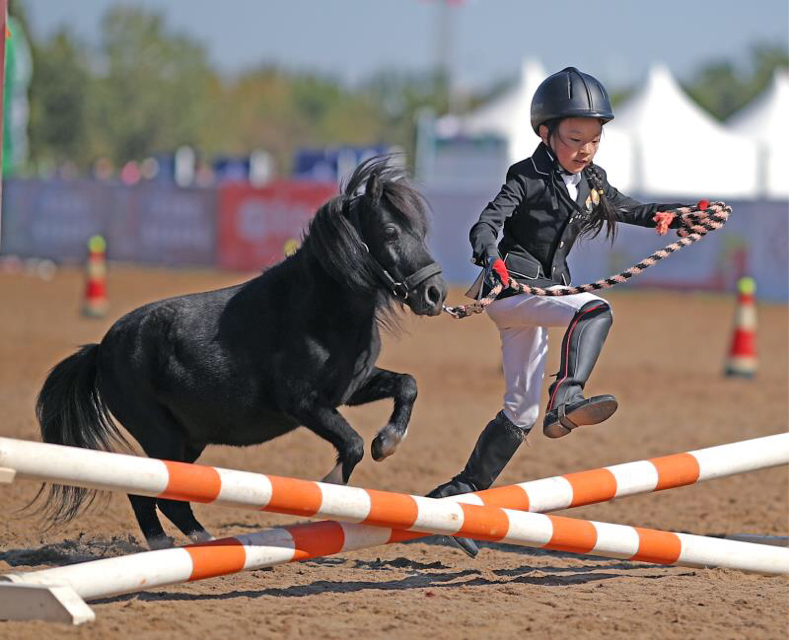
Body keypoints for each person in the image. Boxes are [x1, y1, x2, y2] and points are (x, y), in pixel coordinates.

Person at [428, 67, 687, 557]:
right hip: (514, 293)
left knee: (519, 412)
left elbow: (631, 209)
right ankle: (567, 397)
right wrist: (490, 256)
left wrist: (680, 215)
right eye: (574, 138)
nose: (585, 149)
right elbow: (488, 222)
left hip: (539, 301)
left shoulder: (592, 181)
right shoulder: (524, 176)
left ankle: (461, 495)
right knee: (594, 309)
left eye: (594, 139)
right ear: (545, 133)